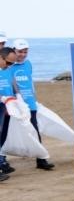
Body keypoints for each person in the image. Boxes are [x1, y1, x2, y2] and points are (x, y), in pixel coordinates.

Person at [8, 40, 55, 170]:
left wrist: (34, 99)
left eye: (25, 51)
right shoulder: (8, 66)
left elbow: (30, 83)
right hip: (14, 106)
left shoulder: (28, 64)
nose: (23, 54)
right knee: (7, 132)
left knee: (35, 131)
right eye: (20, 52)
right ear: (13, 51)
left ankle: (41, 160)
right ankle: (3, 161)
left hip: (30, 104)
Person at [0, 46, 19, 179]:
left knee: (3, 136)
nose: (9, 66)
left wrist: (17, 96)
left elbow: (12, 84)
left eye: (12, 63)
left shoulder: (7, 70)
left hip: (6, 106)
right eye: (7, 62)